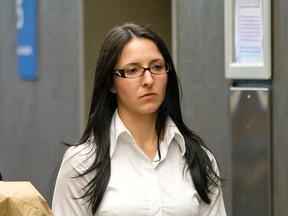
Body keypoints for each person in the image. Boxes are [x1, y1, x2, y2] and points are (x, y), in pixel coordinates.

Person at [52, 23, 226, 216]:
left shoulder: (198, 159)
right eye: (132, 70)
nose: (149, 80)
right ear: (111, 83)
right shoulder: (82, 163)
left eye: (157, 66)